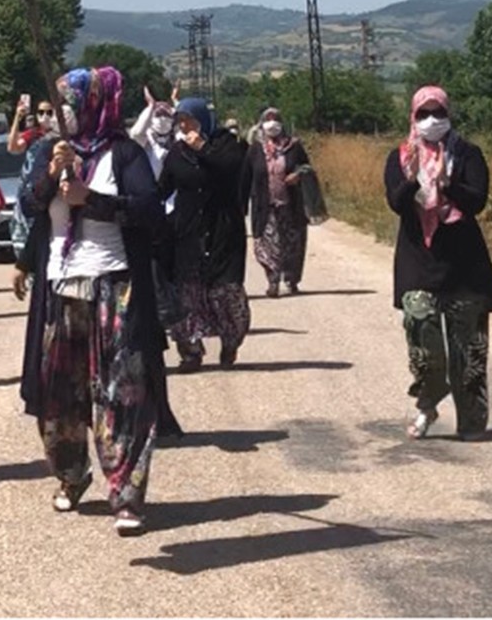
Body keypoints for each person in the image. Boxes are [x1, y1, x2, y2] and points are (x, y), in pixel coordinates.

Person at [19, 66, 180, 536]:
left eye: (72, 100)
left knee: (124, 391)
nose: (64, 109)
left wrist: (93, 199)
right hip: (62, 287)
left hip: (116, 285)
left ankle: (126, 492)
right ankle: (71, 475)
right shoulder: (54, 152)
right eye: (62, 100)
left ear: (95, 103)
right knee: (58, 392)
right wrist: (50, 178)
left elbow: (150, 212)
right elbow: (31, 209)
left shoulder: (124, 153)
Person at [385, 85, 492, 441]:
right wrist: (414, 177)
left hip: (464, 264)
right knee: (423, 337)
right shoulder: (401, 156)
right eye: (424, 114)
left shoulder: (468, 154)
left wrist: (447, 184)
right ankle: (428, 400)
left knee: (468, 350)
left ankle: (471, 421)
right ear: (413, 117)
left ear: (449, 115)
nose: (432, 120)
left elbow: (477, 200)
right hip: (418, 259)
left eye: (439, 113)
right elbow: (396, 202)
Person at [159, 99, 249, 370]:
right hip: (187, 232)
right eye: (180, 121)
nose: (184, 126)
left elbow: (232, 168)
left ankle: (230, 341)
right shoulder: (177, 153)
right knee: (187, 294)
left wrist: (203, 148)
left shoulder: (227, 145)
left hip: (223, 231)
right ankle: (190, 352)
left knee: (227, 294)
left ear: (203, 120)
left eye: (189, 120)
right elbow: (163, 188)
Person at [245, 107, 312, 298]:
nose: (272, 124)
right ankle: (273, 280)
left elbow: (307, 167)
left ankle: (291, 279)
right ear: (261, 124)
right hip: (265, 207)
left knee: (292, 244)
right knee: (266, 245)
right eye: (268, 120)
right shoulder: (255, 149)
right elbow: (246, 177)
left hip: (290, 205)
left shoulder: (294, 146)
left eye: (276, 120)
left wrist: (298, 174)